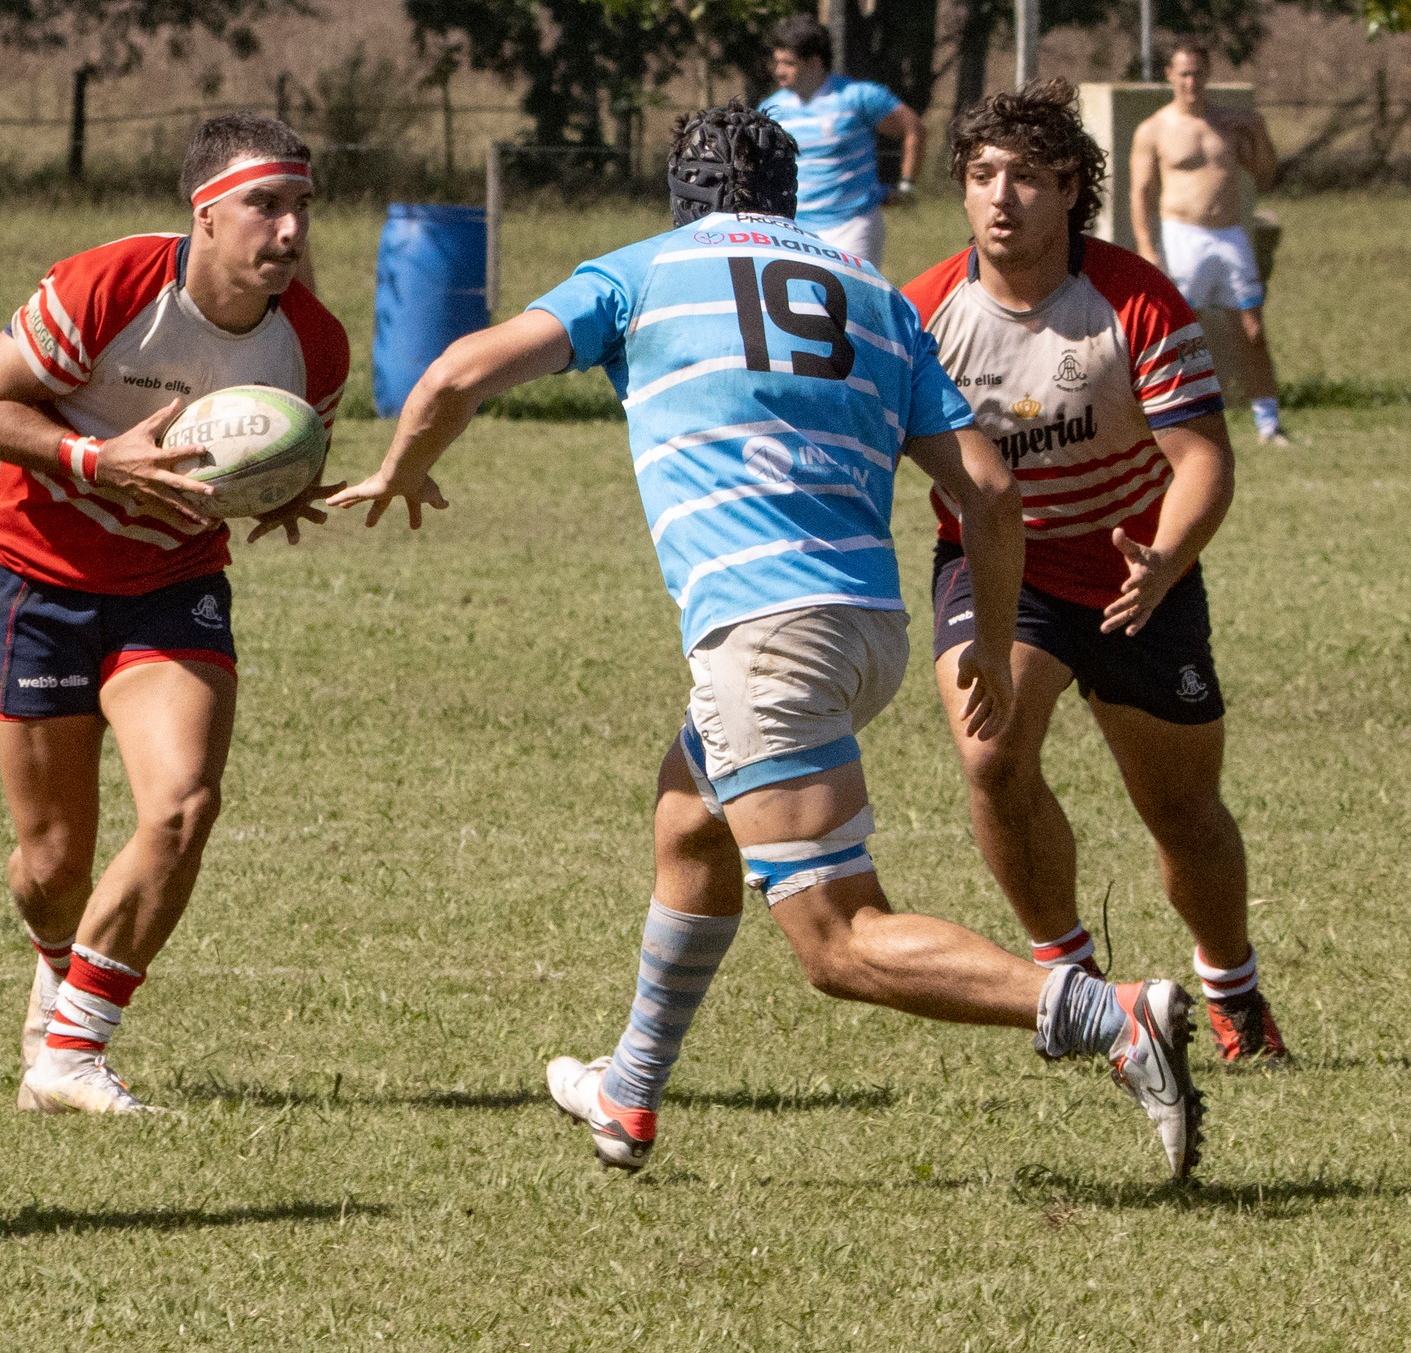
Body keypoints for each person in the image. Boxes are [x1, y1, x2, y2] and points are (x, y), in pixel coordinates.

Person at [331, 102, 1206, 1181]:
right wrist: (978, 640)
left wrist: (402, 467)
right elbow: (986, 490)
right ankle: (628, 1094)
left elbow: (459, 370)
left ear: (681, 195)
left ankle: (1110, 1016)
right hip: (867, 630)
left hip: (763, 637)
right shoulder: (879, 298)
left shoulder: (642, 270)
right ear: (787, 199)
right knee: (688, 817)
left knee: (839, 942)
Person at [0, 114, 348, 1115]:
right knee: (51, 865)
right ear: (204, 214)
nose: (288, 230)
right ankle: (56, 960)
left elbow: (279, 457)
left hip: (172, 584)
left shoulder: (314, 346)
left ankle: (73, 1052)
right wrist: (96, 457)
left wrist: (284, 492)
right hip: (33, 577)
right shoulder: (111, 285)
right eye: (264, 205)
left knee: (181, 806)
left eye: (300, 206)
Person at [904, 79, 1286, 1065]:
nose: (1001, 197)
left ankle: (1230, 987)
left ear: (1071, 187)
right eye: (981, 175)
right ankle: (1068, 982)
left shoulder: (1131, 298)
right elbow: (867, 452)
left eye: (1026, 177)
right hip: (999, 573)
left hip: (1134, 573)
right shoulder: (921, 314)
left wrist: (1163, 557)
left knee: (1178, 809)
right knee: (991, 760)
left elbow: (1202, 456)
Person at [1129, 42, 1289, 446]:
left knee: (1253, 332)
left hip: (1230, 235)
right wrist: (1149, 248)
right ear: (1169, 75)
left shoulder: (1228, 123)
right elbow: (1140, 194)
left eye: (1198, 73)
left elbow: (1264, 176)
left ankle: (1268, 424)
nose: (1191, 82)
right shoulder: (1154, 129)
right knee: (1178, 335)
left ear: (1208, 74)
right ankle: (1166, 422)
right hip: (1183, 236)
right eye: (1183, 73)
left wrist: (1260, 133)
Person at [756, 14, 923, 268]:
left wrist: (906, 184)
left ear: (814, 63)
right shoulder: (771, 108)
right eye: (777, 62)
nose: (779, 71)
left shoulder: (858, 97)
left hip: (852, 226)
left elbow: (914, 129)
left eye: (788, 63)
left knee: (851, 306)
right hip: (793, 229)